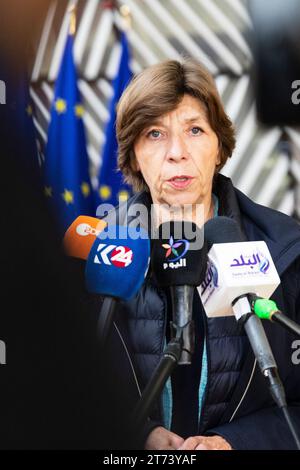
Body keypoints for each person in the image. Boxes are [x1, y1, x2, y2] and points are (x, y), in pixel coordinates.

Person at [102, 58, 300, 450]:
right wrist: (136, 435)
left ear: (218, 147)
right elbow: (58, 390)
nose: (177, 152)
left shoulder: (286, 252)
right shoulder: (95, 256)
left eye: (195, 130)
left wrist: (234, 443)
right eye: (155, 134)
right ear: (133, 154)